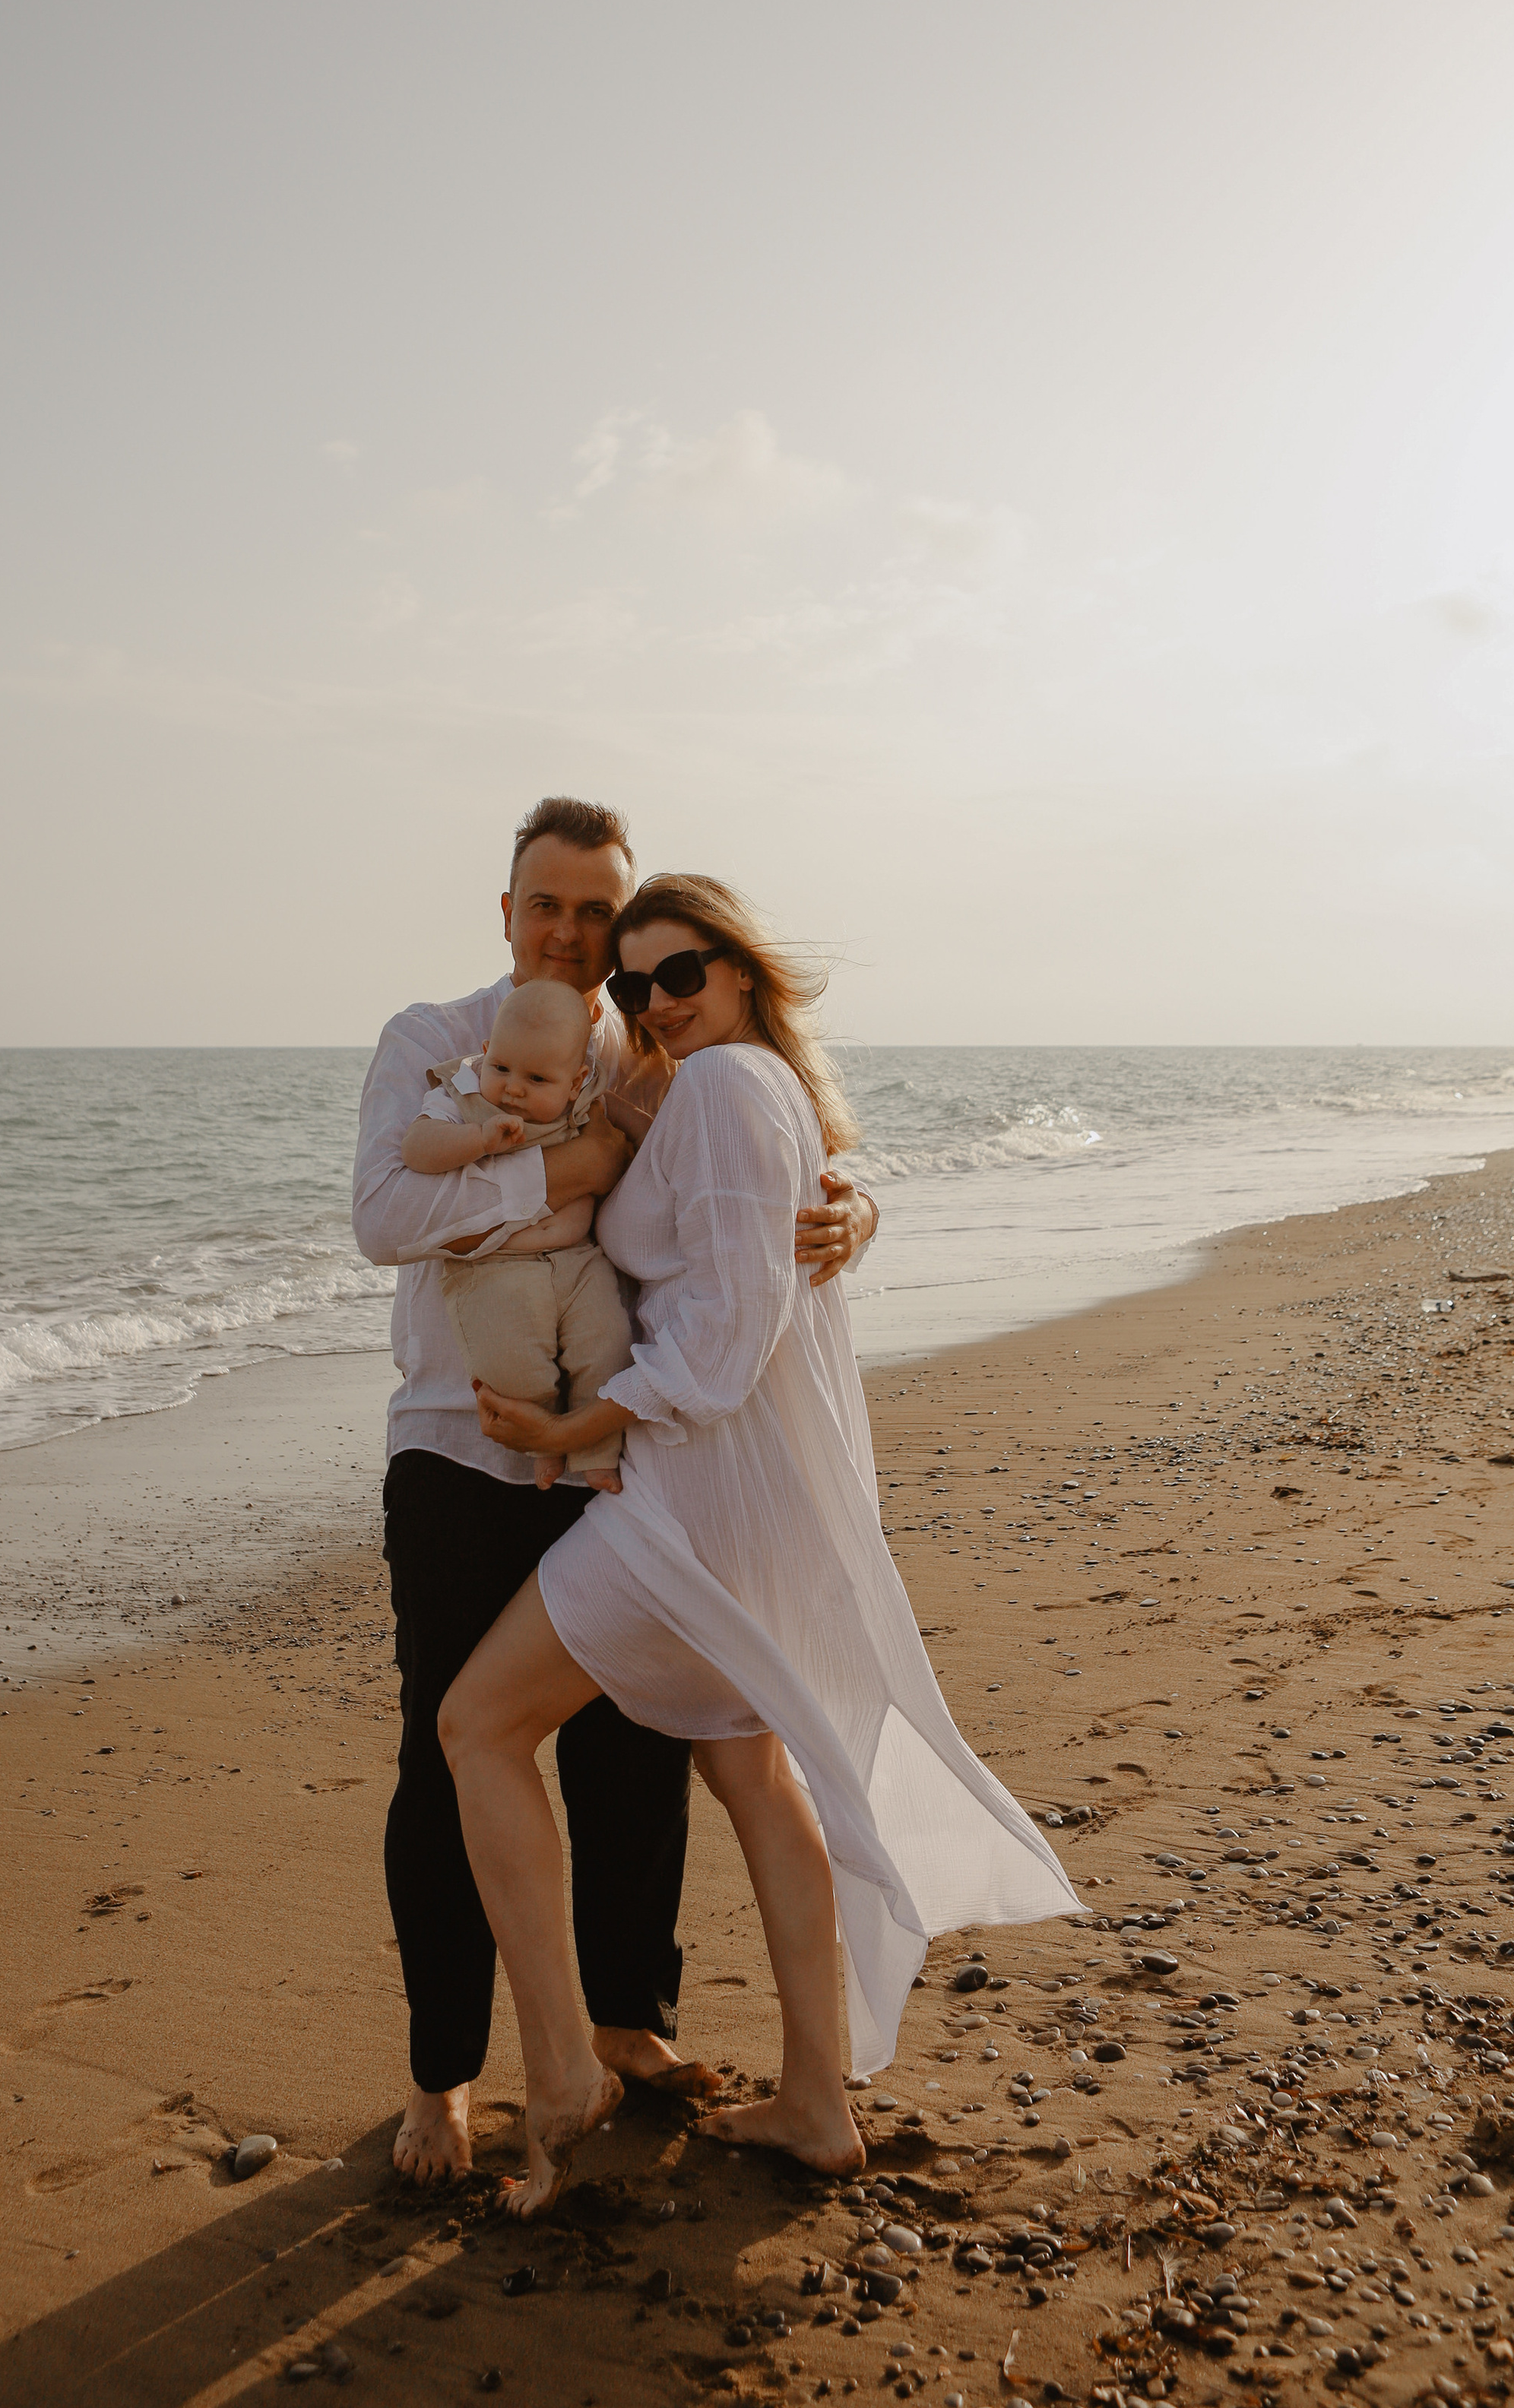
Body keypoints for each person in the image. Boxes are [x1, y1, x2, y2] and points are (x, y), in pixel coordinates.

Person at [439, 873, 1082, 2213]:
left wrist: (573, 1434)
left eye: (681, 975)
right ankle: (816, 2104)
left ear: (737, 971)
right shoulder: (740, 1091)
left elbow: (723, 1341)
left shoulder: (730, 1091)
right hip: (740, 1506)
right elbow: (759, 1256)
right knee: (755, 1776)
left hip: (690, 1509)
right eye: (634, 985)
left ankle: (565, 2073)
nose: (656, 1003)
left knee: (478, 1725)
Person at [351, 800, 878, 2185]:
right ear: (507, 908)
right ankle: (443, 2079)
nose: (580, 940)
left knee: (638, 1756)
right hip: (460, 1448)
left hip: (618, 1450)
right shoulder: (434, 1042)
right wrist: (580, 1165)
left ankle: (622, 2023)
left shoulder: (660, 1052)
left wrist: (857, 1213)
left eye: (605, 917)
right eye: (553, 907)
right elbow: (385, 1222)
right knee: (447, 1758)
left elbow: (760, 1192)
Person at [399, 977, 631, 1490]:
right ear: (485, 1053)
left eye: (538, 1078)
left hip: (579, 1262)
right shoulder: (461, 1093)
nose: (514, 1088)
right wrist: (476, 1138)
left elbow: (647, 1132)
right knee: (510, 1366)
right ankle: (540, 1448)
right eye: (501, 1068)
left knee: (608, 1344)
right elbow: (417, 1148)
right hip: (493, 1268)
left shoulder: (589, 1103)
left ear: (576, 1081)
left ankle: (594, 1451)